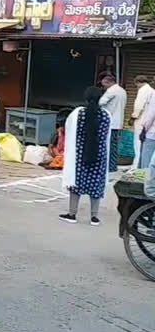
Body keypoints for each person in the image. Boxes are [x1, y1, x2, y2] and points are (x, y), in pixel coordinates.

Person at [60, 87, 112, 225]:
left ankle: (72, 214)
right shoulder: (106, 115)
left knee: (76, 184)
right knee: (95, 185)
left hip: (80, 154)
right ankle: (94, 217)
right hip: (99, 154)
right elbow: (107, 137)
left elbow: (69, 131)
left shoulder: (78, 114)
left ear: (86, 98)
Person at [99, 75, 127, 172]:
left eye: (104, 85)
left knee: (108, 144)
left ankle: (109, 166)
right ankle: (113, 165)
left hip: (110, 122)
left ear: (109, 82)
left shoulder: (111, 91)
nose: (104, 87)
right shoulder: (122, 91)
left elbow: (101, 102)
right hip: (118, 122)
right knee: (114, 145)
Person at [130, 75, 153, 169]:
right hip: (149, 122)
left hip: (141, 121)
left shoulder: (143, 90)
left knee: (138, 144)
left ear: (138, 82)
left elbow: (139, 106)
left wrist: (133, 117)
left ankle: (136, 167)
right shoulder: (151, 90)